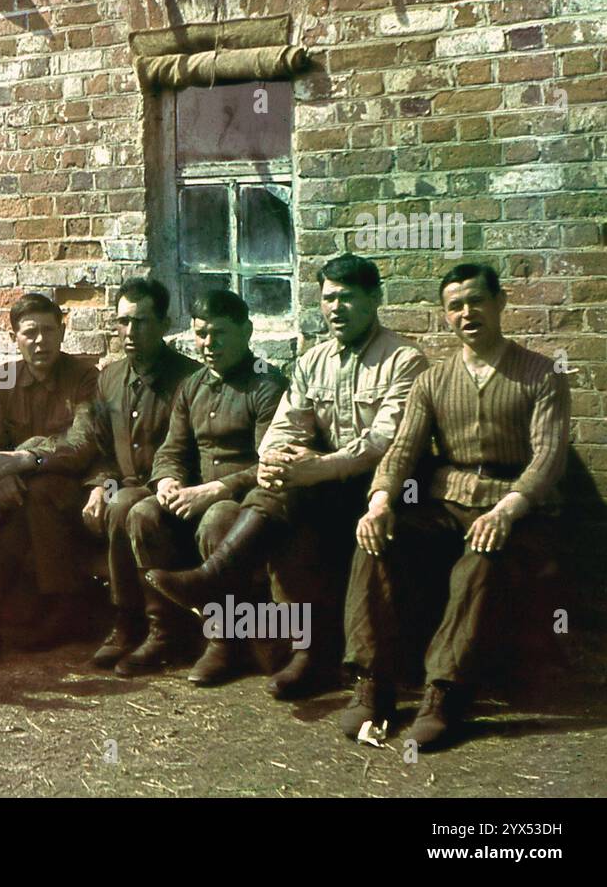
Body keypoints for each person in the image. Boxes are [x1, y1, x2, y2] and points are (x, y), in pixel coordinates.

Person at [148, 253, 428, 699]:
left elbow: (384, 441)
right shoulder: (313, 361)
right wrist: (280, 459)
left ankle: (216, 577)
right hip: (321, 486)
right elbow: (283, 429)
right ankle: (306, 654)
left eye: (348, 298)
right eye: (329, 298)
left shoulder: (404, 360)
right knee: (277, 487)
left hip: (382, 489)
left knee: (283, 496)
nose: (336, 308)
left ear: (375, 299)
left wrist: (316, 466)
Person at [341, 263, 571, 748]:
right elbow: (403, 450)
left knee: (479, 564)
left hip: (520, 514)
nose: (467, 314)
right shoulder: (432, 381)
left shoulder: (542, 374)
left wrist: (506, 510)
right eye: (455, 306)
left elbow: (548, 457)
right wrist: (380, 502)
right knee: (376, 542)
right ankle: (371, 685)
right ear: (445, 315)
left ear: (500, 303)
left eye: (476, 301)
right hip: (449, 508)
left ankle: (444, 694)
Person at [32, 277, 202, 663]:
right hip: (122, 483)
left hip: (174, 490)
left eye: (141, 322)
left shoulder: (188, 378)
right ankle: (111, 619)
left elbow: (193, 449)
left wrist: (169, 483)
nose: (130, 332)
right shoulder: (110, 377)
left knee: (126, 506)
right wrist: (99, 487)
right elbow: (99, 446)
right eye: (123, 321)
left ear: (163, 324)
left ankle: (140, 624)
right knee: (111, 499)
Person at [132, 289, 288, 683]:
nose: (208, 344)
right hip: (193, 495)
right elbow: (173, 449)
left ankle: (224, 644)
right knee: (142, 513)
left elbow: (272, 462)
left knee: (219, 519)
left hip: (245, 502)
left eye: (219, 333)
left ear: (247, 331)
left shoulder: (266, 385)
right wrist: (168, 480)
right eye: (201, 334)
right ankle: (165, 633)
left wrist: (217, 490)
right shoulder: (192, 386)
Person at [0, 293, 100, 668]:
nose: (40, 341)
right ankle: (29, 617)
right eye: (30, 333)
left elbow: (83, 444)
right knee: (0, 508)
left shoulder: (84, 377)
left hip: (66, 489)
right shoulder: (2, 379)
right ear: (14, 337)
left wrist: (25, 458)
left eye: (49, 331)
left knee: (30, 497)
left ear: (62, 331)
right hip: (16, 494)